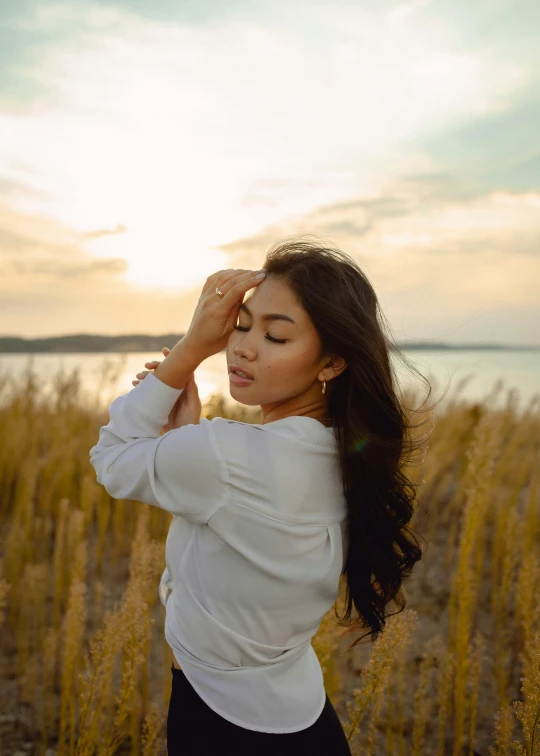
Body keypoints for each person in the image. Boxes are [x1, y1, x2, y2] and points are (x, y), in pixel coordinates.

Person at [89, 236, 434, 754]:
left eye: (276, 336)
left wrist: (188, 351)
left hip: (223, 727)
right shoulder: (340, 457)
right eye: (242, 326)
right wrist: (189, 441)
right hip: (302, 718)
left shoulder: (228, 455)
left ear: (332, 363)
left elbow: (111, 459)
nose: (242, 347)